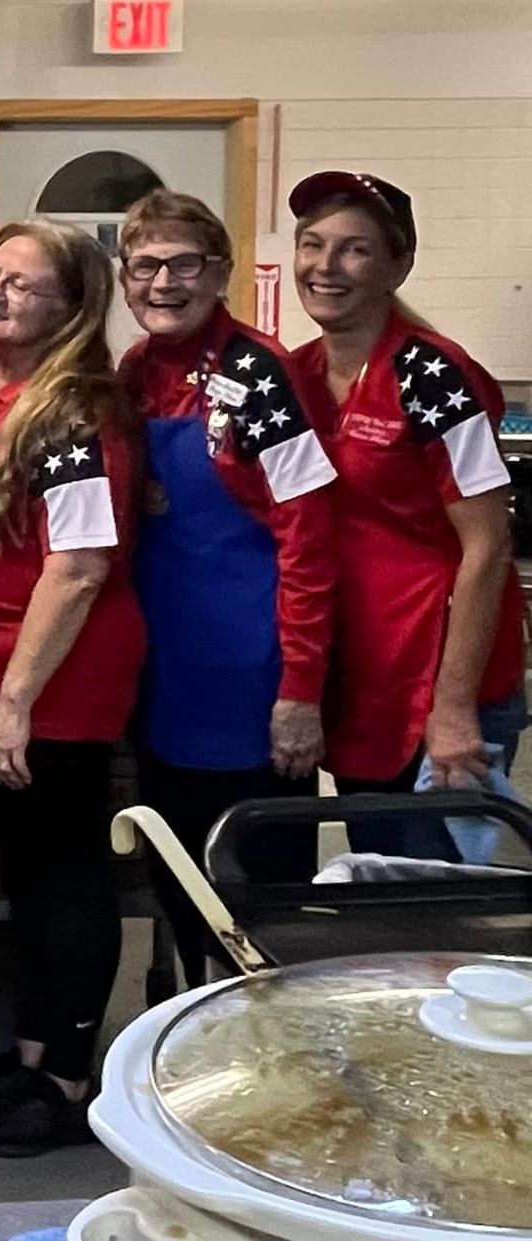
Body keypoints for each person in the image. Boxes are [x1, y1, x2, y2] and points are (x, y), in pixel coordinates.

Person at [0, 220, 144, 1158]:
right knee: (28, 870)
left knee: (65, 873)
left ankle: (67, 1076)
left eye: (25, 285)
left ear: (72, 310)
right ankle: (31, 1048)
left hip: (49, 680)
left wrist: (16, 699)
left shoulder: (69, 411)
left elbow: (80, 565)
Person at [115, 190, 338, 985]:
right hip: (169, 677)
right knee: (178, 873)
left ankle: (276, 1067)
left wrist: (301, 688)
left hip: (255, 682)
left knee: (262, 900)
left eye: (184, 263)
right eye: (145, 265)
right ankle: (188, 1023)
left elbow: (311, 535)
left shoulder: (261, 372)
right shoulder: (136, 371)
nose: (163, 282)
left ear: (220, 272)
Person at [286, 171, 525, 856]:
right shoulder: (296, 377)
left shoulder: (434, 378)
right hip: (365, 678)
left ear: (398, 264)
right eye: (312, 244)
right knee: (376, 889)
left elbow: (488, 546)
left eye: (354, 249)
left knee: (430, 913)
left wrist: (451, 709)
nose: (325, 266)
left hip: (441, 680)